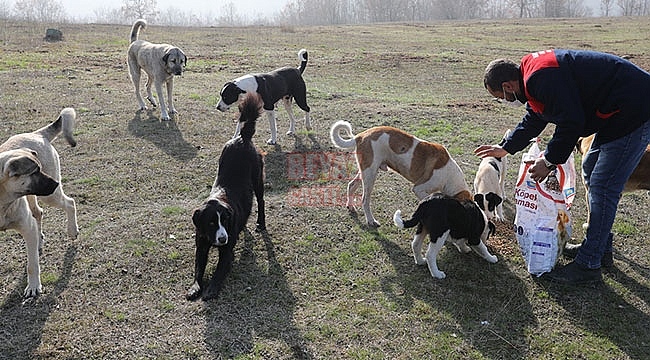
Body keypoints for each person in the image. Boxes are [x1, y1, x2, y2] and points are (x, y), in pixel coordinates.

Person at [474, 49, 650, 285]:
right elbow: (535, 117)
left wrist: (548, 162)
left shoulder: (540, 78)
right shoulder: (532, 76)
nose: (504, 101)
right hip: (617, 109)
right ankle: (599, 247)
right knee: (590, 168)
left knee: (603, 186)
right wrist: (506, 147)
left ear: (507, 86)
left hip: (635, 109)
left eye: (500, 96)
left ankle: (589, 264)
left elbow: (571, 123)